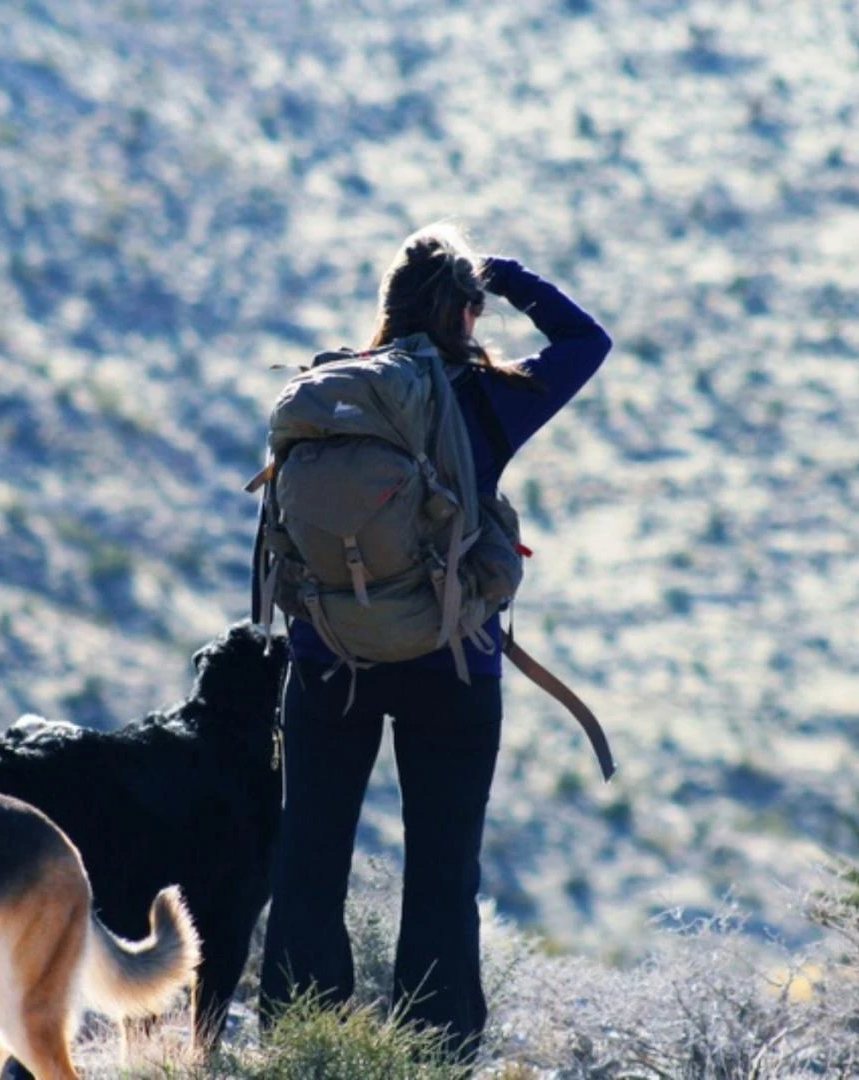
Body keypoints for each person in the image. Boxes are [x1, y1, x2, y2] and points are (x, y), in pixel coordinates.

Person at [257, 222, 613, 1064]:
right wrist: (508, 275)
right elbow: (586, 340)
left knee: (309, 858)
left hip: (327, 655)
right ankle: (435, 1053)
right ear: (465, 310)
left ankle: (301, 1050)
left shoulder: (332, 391)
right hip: (450, 660)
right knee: (442, 870)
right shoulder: (485, 396)